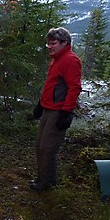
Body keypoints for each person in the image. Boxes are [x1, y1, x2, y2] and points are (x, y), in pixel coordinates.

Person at [31, 27, 82, 191]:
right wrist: (40, 105)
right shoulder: (56, 59)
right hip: (47, 109)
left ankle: (47, 183)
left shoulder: (70, 60)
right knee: (40, 145)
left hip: (58, 111)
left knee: (48, 148)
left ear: (64, 43)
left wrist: (66, 113)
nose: (50, 47)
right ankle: (42, 178)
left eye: (53, 43)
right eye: (48, 44)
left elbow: (74, 88)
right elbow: (50, 86)